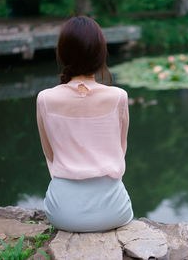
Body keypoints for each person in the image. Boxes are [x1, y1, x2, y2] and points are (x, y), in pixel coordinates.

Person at [36, 16, 133, 232]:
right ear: (101, 54)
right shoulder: (119, 96)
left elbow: (50, 154)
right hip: (113, 210)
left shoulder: (45, 98)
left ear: (62, 53)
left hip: (64, 213)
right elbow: (121, 149)